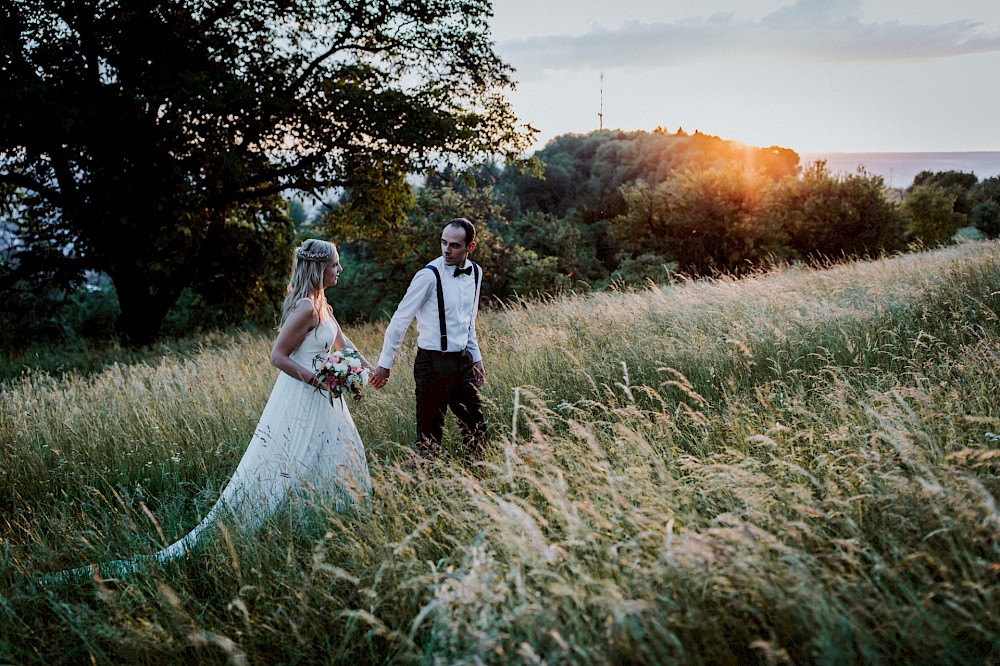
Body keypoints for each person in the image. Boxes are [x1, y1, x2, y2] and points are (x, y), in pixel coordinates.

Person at [43, 239, 373, 584]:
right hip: (305, 395)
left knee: (333, 453)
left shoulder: (323, 305)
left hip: (327, 399)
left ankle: (327, 527)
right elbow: (278, 356)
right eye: (335, 264)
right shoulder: (305, 307)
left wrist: (368, 370)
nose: (339, 270)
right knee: (286, 460)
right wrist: (318, 381)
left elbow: (343, 344)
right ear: (320, 267)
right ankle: (283, 529)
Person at [370, 218, 487, 460]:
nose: (447, 249)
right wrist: (384, 364)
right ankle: (424, 489)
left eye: (454, 245)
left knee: (477, 432)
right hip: (432, 365)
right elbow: (400, 320)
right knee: (429, 439)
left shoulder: (475, 272)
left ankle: (477, 488)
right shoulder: (428, 275)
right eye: (444, 243)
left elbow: (469, 321)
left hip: (462, 363)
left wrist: (476, 358)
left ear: (470, 247)